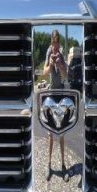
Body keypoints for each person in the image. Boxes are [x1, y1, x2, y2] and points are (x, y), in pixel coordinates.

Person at [43, 30, 68, 179]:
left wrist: (61, 65)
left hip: (61, 94)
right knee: (50, 133)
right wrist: (51, 65)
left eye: (57, 43)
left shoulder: (62, 54)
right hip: (51, 94)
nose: (56, 46)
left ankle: (63, 165)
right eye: (54, 43)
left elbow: (65, 76)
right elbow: (44, 73)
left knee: (62, 132)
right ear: (51, 42)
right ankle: (49, 165)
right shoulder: (49, 52)